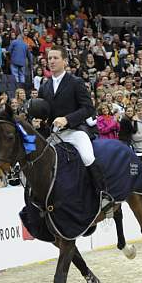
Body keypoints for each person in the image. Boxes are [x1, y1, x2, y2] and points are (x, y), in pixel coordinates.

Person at [37, 45, 113, 211]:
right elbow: (44, 114)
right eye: (49, 58)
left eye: (55, 58)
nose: (51, 61)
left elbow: (88, 108)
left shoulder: (75, 82)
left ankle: (103, 195)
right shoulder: (44, 87)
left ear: (64, 61)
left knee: (87, 156)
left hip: (74, 131)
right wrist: (39, 122)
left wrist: (67, 119)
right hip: (54, 135)